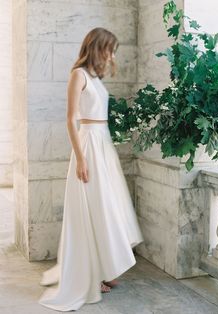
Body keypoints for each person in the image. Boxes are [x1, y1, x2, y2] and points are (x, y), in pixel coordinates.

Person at [38, 27, 144, 312]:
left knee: (105, 208)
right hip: (88, 146)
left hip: (102, 145)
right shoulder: (79, 75)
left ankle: (100, 269)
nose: (112, 55)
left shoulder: (96, 78)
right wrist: (81, 158)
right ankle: (89, 274)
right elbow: (71, 119)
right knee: (90, 208)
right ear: (97, 47)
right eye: (109, 49)